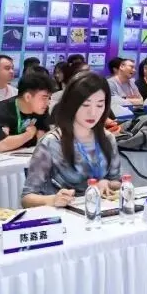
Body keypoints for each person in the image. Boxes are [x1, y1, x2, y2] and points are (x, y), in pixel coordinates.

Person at [22, 72, 122, 206]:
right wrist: (52, 200)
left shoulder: (108, 138)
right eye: (85, 105)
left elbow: (117, 181)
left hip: (102, 211)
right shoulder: (52, 142)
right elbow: (27, 198)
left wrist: (107, 183)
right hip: (65, 213)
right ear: (72, 104)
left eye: (99, 105)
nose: (93, 113)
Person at [0, 70, 54, 151]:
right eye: (44, 98)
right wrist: (29, 135)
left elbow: (44, 137)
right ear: (28, 97)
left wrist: (14, 140)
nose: (48, 102)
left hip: (25, 155)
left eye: (49, 98)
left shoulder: (41, 110)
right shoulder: (1, 110)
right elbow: (1, 145)